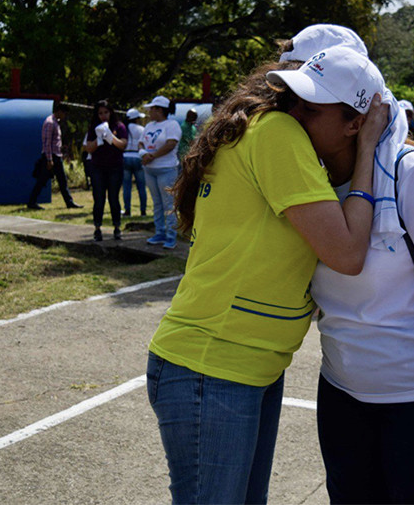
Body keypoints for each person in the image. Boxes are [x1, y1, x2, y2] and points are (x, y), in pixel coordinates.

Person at [147, 46, 388, 505]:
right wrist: (368, 152)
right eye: (298, 99)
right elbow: (348, 252)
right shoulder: (278, 132)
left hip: (238, 364)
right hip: (214, 365)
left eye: (311, 106)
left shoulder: (258, 126)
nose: (298, 111)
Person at [310, 94, 414, 502]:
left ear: (355, 120)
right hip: (339, 395)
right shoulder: (308, 179)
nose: (293, 116)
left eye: (310, 109)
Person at [138, 95, 182, 249]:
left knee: (169, 204)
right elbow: (141, 142)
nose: (150, 111)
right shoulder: (149, 125)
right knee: (157, 203)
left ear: (160, 110)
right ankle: (159, 233)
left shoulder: (172, 124)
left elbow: (171, 143)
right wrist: (143, 154)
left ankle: (171, 236)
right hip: (150, 169)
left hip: (166, 169)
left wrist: (153, 156)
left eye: (153, 108)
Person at [85, 99, 127, 242]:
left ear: (111, 112)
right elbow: (88, 148)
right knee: (99, 198)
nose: (103, 116)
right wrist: (98, 139)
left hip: (115, 167)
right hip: (97, 167)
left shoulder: (119, 126)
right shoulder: (93, 128)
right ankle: (97, 228)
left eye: (106, 112)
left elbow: (123, 145)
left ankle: (117, 227)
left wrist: (110, 136)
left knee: (114, 198)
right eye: (100, 113)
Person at [27, 102, 82, 210]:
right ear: (59, 111)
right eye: (64, 113)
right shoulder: (50, 123)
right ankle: (32, 202)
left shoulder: (55, 122)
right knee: (43, 180)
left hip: (55, 155)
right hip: (52, 156)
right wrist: (49, 159)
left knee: (60, 180)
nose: (65, 116)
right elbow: (47, 142)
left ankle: (69, 202)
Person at [122, 108, 147, 217]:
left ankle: (127, 210)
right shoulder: (142, 129)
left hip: (125, 156)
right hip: (138, 156)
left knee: (126, 186)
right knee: (141, 186)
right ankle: (143, 211)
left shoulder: (124, 128)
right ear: (136, 119)